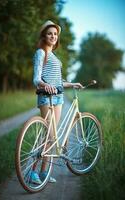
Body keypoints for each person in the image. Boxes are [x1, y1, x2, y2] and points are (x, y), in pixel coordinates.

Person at [32, 20, 83, 184]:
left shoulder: (54, 56)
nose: (53, 36)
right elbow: (36, 78)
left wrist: (72, 83)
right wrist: (45, 85)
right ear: (44, 36)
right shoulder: (41, 53)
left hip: (59, 97)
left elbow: (58, 81)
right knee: (48, 135)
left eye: (55, 34)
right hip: (46, 97)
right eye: (49, 33)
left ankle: (43, 173)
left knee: (52, 138)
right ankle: (33, 172)